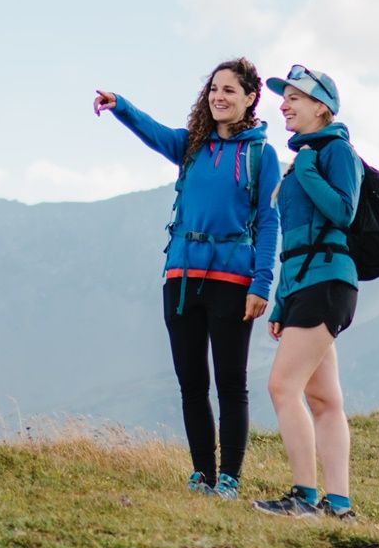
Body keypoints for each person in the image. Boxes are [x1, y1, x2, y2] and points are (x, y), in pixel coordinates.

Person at [92, 61, 279, 500]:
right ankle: (202, 475)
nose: (219, 97)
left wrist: (261, 283)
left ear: (250, 98)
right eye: (214, 89)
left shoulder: (260, 155)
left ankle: (229, 479)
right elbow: (155, 132)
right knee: (191, 382)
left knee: (230, 382)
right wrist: (121, 106)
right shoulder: (192, 146)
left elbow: (269, 223)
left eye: (230, 90)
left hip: (234, 278)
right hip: (180, 276)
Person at [254, 65, 360, 520]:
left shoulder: (335, 150)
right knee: (324, 400)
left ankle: (303, 498)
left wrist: (311, 169)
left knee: (282, 386)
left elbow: (343, 211)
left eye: (294, 97)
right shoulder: (305, 158)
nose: (284, 104)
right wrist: (280, 301)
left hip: (328, 280)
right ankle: (338, 505)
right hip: (305, 283)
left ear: (322, 107)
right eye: (284, 97)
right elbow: (293, 241)